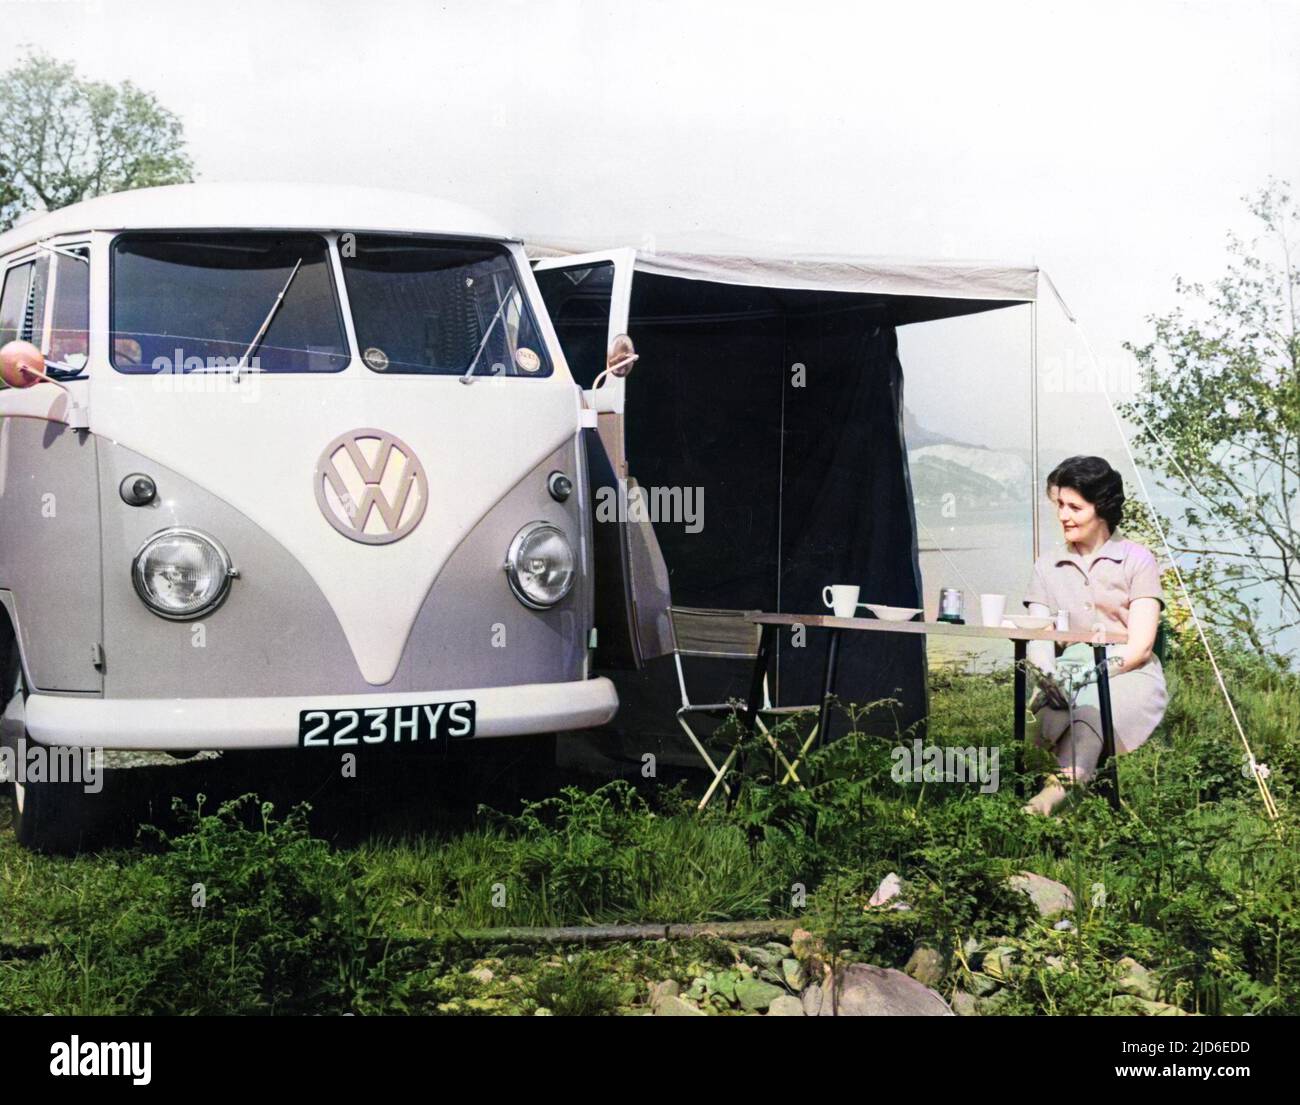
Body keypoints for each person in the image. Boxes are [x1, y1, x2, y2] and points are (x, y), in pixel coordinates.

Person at [1020, 456, 1167, 815]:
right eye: (1059, 505)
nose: (1063, 516)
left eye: (1074, 507)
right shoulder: (1047, 565)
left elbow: (1142, 645)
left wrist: (1092, 677)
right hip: (1065, 674)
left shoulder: (1137, 559)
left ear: (1101, 508)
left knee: (1093, 709)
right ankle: (1067, 802)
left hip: (1128, 671)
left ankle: (1047, 802)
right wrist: (1047, 676)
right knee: (1054, 716)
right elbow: (1039, 635)